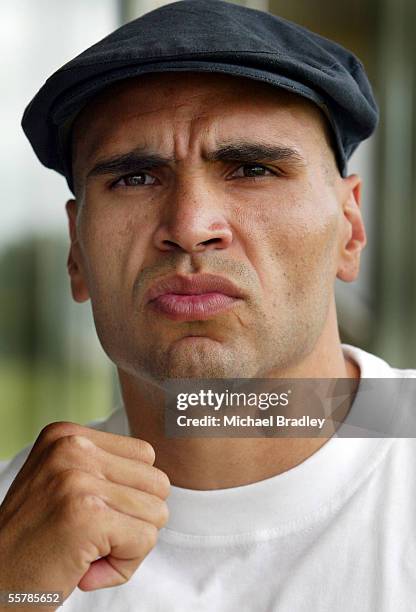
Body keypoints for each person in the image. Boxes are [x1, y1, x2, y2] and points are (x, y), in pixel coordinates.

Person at [0, 1, 415, 610]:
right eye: (135, 178)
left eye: (252, 168)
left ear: (349, 230)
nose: (191, 227)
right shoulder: (14, 538)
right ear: (76, 252)